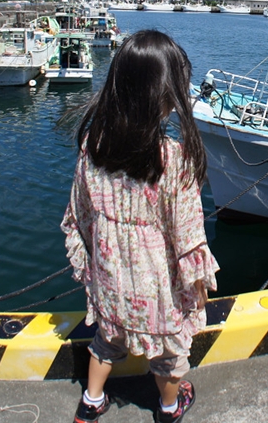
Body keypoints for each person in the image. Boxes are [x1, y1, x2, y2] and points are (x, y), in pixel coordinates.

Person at [61, 29, 219, 423]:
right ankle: (169, 406)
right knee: (168, 354)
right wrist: (198, 283)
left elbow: (80, 212)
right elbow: (188, 234)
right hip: (156, 290)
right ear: (163, 96)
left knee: (106, 340)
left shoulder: (93, 146)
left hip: (110, 281)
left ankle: (91, 401)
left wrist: (92, 258)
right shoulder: (173, 158)